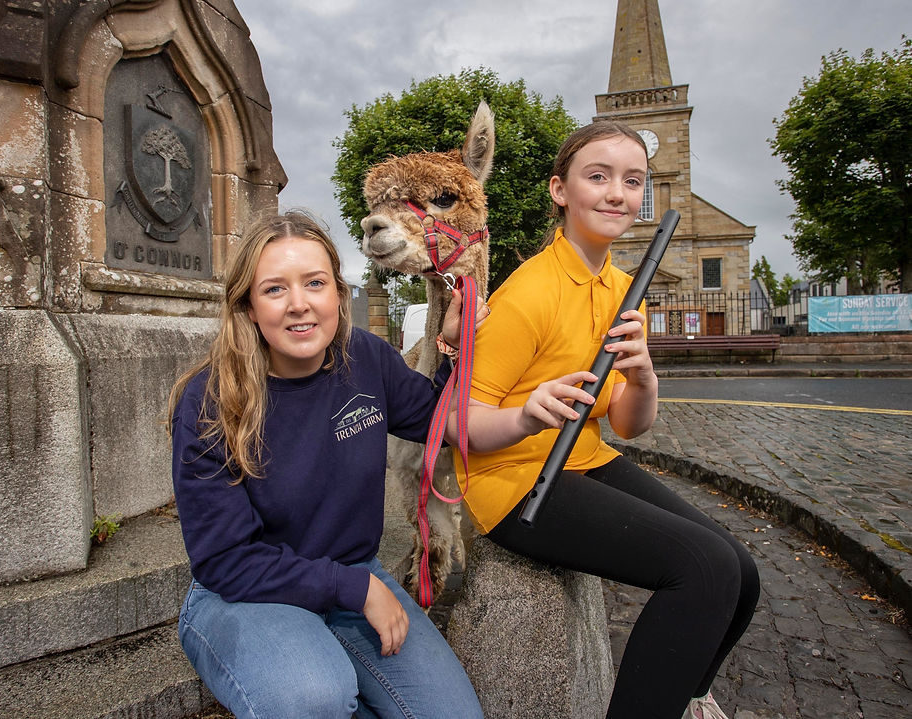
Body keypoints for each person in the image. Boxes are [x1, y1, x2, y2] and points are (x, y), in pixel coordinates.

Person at [451, 123, 760, 719]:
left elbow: (627, 423)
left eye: (633, 181)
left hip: (585, 458)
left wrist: (643, 376)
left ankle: (689, 697)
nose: (618, 193)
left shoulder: (624, 288)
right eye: (598, 176)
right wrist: (526, 416)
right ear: (559, 190)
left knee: (740, 572)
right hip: (511, 479)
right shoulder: (530, 291)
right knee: (701, 567)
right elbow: (463, 423)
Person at [168, 210, 485, 719]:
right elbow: (225, 559)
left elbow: (436, 417)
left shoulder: (365, 357)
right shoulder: (211, 399)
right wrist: (356, 589)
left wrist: (450, 343)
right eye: (274, 289)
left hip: (352, 573)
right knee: (314, 696)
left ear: (337, 292)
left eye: (314, 283)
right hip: (247, 591)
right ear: (249, 306)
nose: (299, 305)